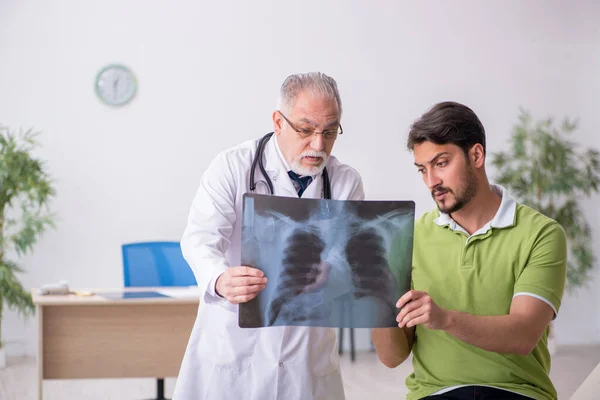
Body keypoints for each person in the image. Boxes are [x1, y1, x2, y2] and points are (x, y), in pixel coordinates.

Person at [172, 72, 364, 400]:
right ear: (278, 122)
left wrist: (334, 272)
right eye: (305, 130)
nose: (318, 145)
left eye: (329, 132)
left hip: (307, 357)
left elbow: (351, 258)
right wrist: (219, 279)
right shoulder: (232, 167)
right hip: (235, 348)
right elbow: (200, 238)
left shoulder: (345, 182)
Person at [372, 101, 567, 400]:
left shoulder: (541, 234)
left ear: (476, 155)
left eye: (441, 163)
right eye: (422, 169)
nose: (431, 181)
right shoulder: (410, 237)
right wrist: (375, 297)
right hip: (434, 393)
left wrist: (444, 319)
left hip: (517, 393)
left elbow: (524, 334)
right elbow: (391, 357)